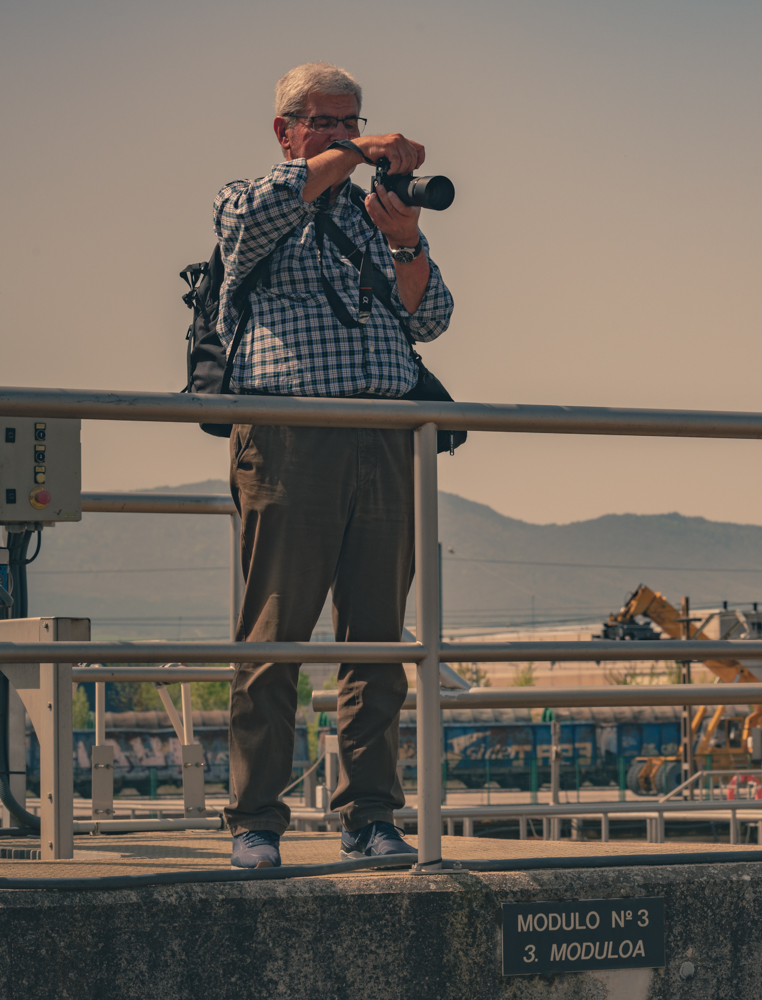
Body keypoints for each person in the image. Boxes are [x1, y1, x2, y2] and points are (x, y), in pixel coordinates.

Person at [214, 62, 455, 868]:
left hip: (385, 435)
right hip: (290, 435)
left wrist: (407, 238)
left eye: (353, 120)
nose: (345, 135)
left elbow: (432, 317)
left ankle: (370, 817)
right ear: (285, 132)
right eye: (325, 121)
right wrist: (357, 153)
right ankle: (255, 820)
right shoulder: (248, 201)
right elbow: (263, 209)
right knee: (274, 637)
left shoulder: (370, 215)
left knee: (379, 643)